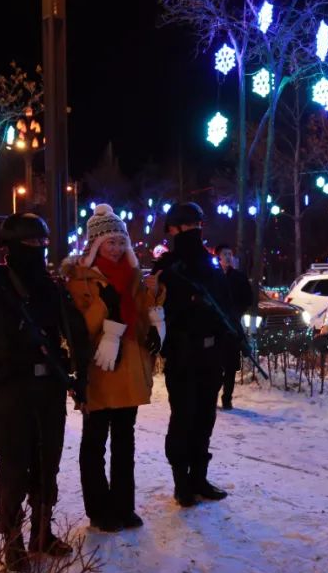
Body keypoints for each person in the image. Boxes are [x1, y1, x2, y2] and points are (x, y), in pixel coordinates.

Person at [0, 213, 91, 572]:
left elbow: (74, 332)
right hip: (14, 385)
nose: (37, 249)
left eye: (42, 243)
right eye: (30, 243)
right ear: (9, 246)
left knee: (48, 463)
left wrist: (82, 378)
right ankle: (13, 539)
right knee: (15, 464)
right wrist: (11, 321)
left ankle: (42, 533)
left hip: (50, 386)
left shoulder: (51, 286)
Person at [62, 204, 165, 532]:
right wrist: (103, 306)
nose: (117, 248)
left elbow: (144, 313)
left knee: (125, 441)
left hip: (129, 369)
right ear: (96, 244)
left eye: (121, 241)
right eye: (111, 242)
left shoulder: (132, 276)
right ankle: (99, 509)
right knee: (94, 442)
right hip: (99, 370)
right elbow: (79, 329)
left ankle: (123, 506)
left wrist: (156, 302)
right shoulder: (79, 280)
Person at [153, 202, 233, 507]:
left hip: (210, 354)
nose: (193, 231)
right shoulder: (167, 267)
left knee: (205, 417)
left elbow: (226, 306)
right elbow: (156, 312)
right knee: (183, 418)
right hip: (182, 354)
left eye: (197, 226)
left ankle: (200, 477)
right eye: (186, 227)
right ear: (173, 230)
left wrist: (227, 342)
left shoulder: (211, 266)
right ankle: (181, 482)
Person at [215, 243, 252, 411]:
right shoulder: (213, 276)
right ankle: (211, 397)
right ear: (218, 257)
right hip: (216, 328)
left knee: (230, 366)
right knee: (215, 366)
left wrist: (236, 313)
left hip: (233, 327)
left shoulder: (239, 277)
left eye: (230, 254)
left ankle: (227, 399)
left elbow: (247, 299)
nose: (228, 257)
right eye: (225, 254)